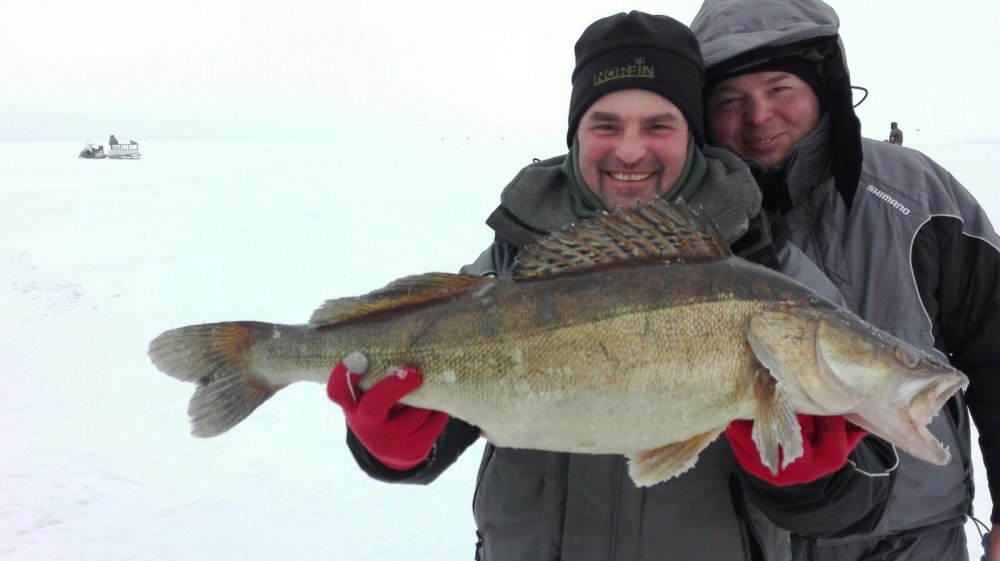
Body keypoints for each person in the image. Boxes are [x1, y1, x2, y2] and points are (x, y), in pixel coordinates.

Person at [328, 11, 898, 560]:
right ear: (576, 133)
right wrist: (394, 449)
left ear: (692, 135)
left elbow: (863, 495)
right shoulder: (513, 260)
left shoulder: (769, 272)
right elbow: (437, 413)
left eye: (658, 125)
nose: (630, 150)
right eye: (605, 125)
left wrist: (812, 482)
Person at [690, 1, 1000, 560]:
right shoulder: (686, 218)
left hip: (914, 538)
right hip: (743, 540)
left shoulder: (917, 193)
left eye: (779, 89)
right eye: (730, 100)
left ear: (823, 87)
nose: (758, 116)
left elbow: (995, 344)